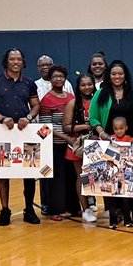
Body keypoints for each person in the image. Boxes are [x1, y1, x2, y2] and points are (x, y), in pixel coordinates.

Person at [0, 48, 43, 226]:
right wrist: (1, 118)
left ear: (23, 62)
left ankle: (29, 209)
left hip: (26, 131)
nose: (15, 62)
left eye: (19, 59)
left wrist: (29, 118)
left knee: (30, 172)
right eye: (12, 59)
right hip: (3, 131)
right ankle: (5, 210)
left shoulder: (30, 83)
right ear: (6, 61)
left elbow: (36, 106)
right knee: (3, 172)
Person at [90, 60, 133, 225]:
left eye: (120, 74)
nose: (117, 76)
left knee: (132, 178)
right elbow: (93, 117)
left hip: (131, 143)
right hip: (109, 144)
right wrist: (101, 133)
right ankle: (116, 212)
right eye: (114, 73)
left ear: (125, 76)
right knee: (110, 179)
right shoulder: (100, 94)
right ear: (109, 76)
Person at [39, 65, 79, 220]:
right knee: (56, 177)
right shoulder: (46, 99)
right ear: (50, 79)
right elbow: (44, 127)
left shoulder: (70, 97)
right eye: (55, 76)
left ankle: (73, 207)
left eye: (61, 76)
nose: (58, 79)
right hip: (55, 144)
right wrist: (65, 137)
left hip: (72, 143)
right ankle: (55, 209)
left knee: (71, 175)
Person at [63, 73, 98, 223]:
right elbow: (66, 126)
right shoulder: (73, 103)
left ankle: (109, 208)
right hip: (78, 143)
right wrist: (85, 126)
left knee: (101, 175)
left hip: (97, 142)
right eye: (83, 85)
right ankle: (86, 209)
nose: (87, 87)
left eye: (89, 84)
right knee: (82, 176)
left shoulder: (99, 100)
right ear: (78, 87)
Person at [105, 115, 133, 228]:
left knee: (126, 199)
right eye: (116, 129)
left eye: (121, 128)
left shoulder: (129, 140)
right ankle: (112, 221)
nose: (119, 131)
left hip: (125, 177)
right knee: (112, 200)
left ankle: (127, 220)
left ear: (126, 127)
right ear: (113, 129)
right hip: (113, 176)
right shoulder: (111, 139)